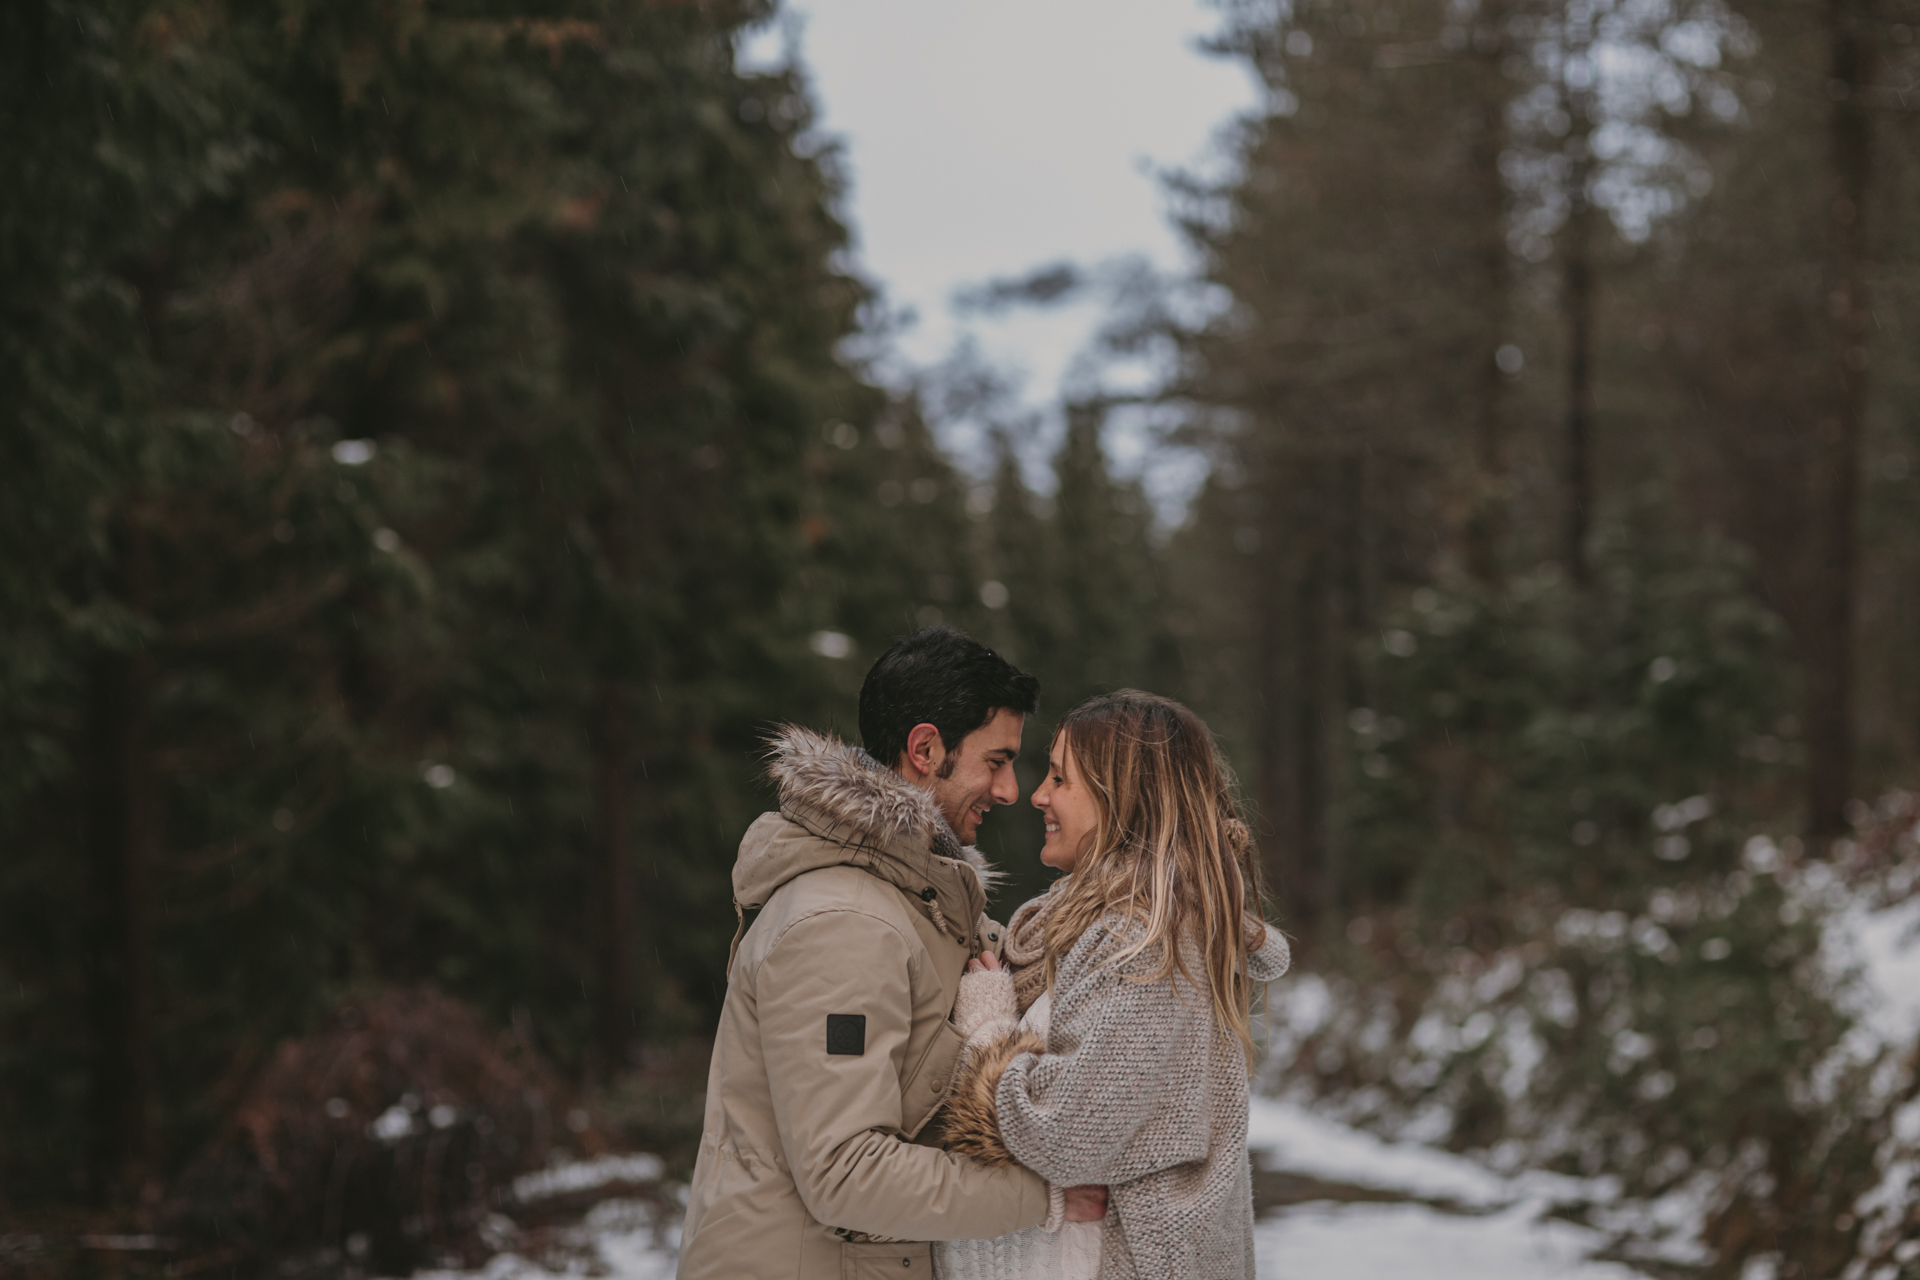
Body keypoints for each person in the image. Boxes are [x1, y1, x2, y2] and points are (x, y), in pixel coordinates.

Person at [677, 626, 1106, 1280]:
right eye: (995, 761)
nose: (1011, 791)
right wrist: (1041, 1199)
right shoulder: (843, 924)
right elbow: (844, 1173)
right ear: (926, 749)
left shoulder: (911, 906)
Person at [935, 690, 1292, 1280]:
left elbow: (1066, 1129)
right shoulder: (1106, 928)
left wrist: (989, 1030)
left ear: (1124, 798)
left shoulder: (1150, 939)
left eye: (1060, 778)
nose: (1038, 795)